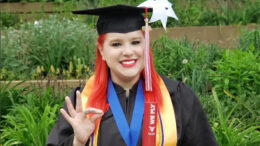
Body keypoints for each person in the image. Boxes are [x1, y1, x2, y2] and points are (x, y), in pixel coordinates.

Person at [47, 3, 218, 146]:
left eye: (136, 42)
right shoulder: (83, 103)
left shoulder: (177, 97)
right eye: (116, 44)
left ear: (146, 45)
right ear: (102, 51)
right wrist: (78, 141)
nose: (128, 52)